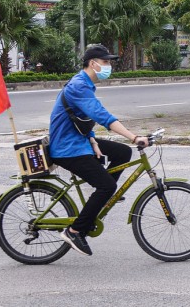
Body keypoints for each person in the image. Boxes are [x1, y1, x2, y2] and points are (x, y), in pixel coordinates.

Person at [47, 44, 149, 256]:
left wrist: (92, 139)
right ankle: (74, 231)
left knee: (122, 153)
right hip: (67, 148)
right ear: (93, 64)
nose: (109, 66)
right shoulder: (78, 86)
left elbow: (81, 119)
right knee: (107, 186)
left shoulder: (84, 84)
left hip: (78, 140)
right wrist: (134, 137)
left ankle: (103, 195)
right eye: (105, 62)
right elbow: (102, 116)